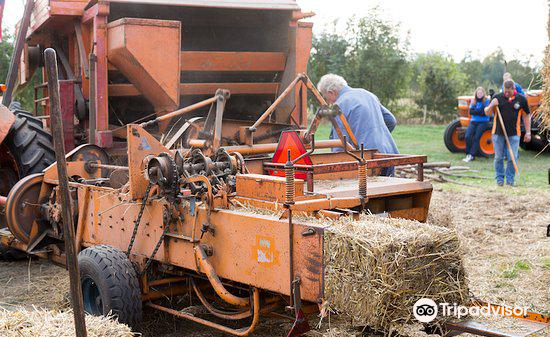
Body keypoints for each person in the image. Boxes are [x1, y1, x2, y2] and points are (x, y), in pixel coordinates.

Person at [317, 74, 399, 176]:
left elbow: (339, 143)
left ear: (331, 92)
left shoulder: (339, 105)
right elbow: (391, 120)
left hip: (367, 159)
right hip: (388, 153)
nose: (327, 102)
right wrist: (375, 135)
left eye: (325, 97)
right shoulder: (367, 94)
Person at [484, 80, 531, 186]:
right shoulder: (497, 97)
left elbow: (527, 115)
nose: (506, 94)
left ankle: (510, 180)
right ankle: (500, 179)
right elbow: (487, 112)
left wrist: (528, 132)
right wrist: (491, 105)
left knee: (512, 157)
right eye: (505, 91)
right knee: (498, 157)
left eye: (508, 92)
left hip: (514, 134)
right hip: (497, 133)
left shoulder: (521, 99)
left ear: (513, 89)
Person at [463, 87, 491, 162]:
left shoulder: (487, 101)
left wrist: (477, 111)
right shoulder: (474, 101)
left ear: (483, 93)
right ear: (476, 94)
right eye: (478, 93)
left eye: (481, 93)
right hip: (473, 121)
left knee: (476, 137)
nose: (479, 94)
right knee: (467, 136)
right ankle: (468, 154)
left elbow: (485, 113)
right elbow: (471, 112)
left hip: (483, 122)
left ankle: (472, 155)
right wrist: (480, 111)